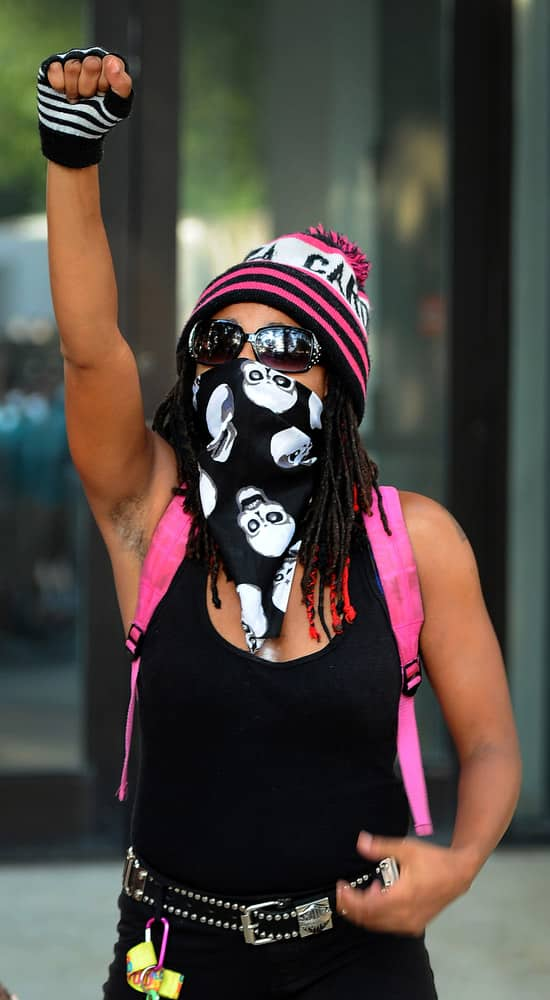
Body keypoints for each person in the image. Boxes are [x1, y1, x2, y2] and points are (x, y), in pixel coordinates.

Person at [38, 48, 521, 1000]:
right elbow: (93, 353)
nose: (247, 370)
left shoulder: (413, 542)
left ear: (336, 390)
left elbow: (495, 744)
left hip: (359, 959)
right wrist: (70, 157)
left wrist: (456, 865)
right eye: (221, 343)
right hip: (172, 960)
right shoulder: (156, 517)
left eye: (287, 349)